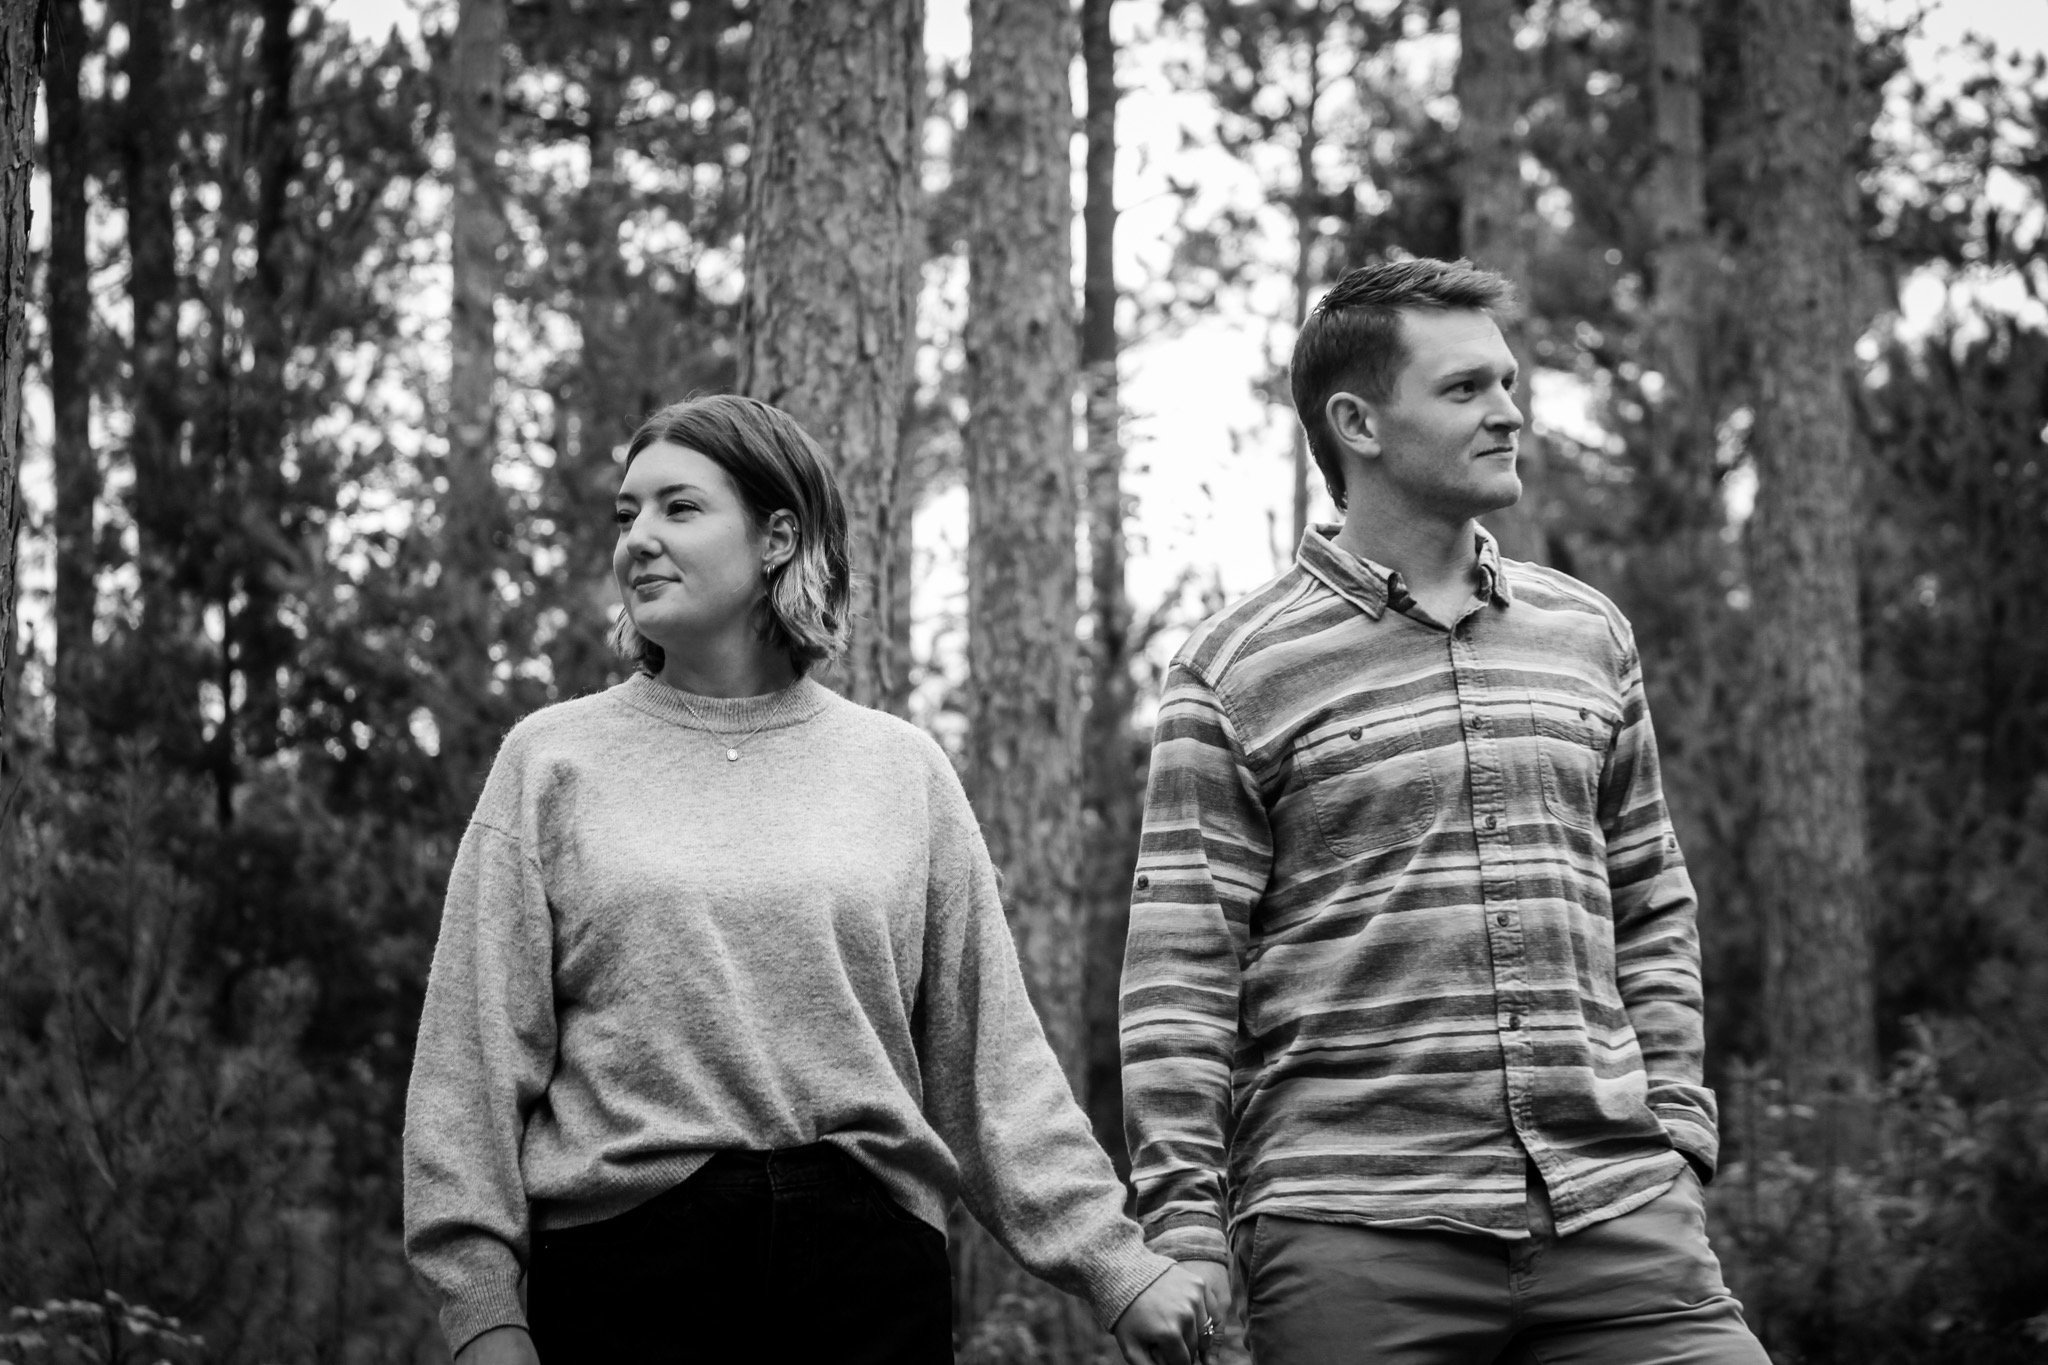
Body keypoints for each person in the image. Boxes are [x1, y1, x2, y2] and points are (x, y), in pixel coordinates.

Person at [404, 394, 1212, 1365]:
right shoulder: (550, 762)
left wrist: (1117, 1269)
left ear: (778, 536)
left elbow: (991, 1067)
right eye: (627, 515)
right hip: (627, 1284)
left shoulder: (899, 770)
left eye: (678, 508)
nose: (638, 541)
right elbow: (470, 1067)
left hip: (867, 1286)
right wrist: (483, 1320)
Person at [1118, 258, 1769, 1364]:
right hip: (1352, 1236)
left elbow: (1649, 899)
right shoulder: (1232, 669)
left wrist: (1673, 1132)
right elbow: (1183, 968)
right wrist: (1183, 1219)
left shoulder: (1587, 635)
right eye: (1466, 388)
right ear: (1356, 422)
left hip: (1614, 1218)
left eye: (1508, 382)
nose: (1510, 410)